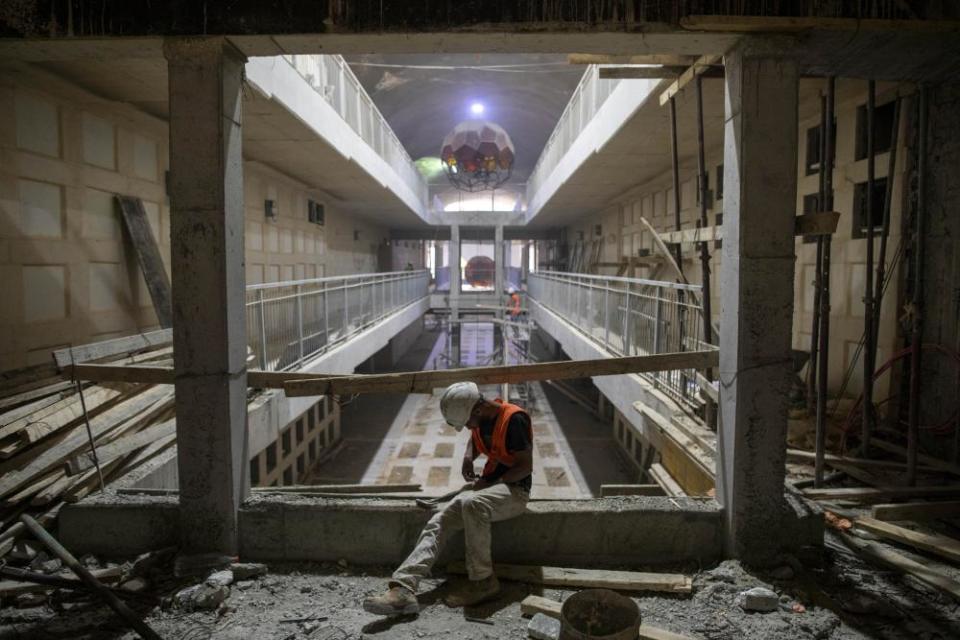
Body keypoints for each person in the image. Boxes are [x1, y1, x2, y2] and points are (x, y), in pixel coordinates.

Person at [362, 382, 533, 615]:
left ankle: (484, 581)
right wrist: (468, 458)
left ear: (478, 410)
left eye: (468, 423)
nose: (468, 428)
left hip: (514, 491)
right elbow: (475, 438)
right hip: (489, 489)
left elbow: (525, 466)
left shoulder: (514, 420)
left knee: (472, 503)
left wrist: (489, 483)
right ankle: (403, 588)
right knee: (439, 521)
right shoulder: (482, 418)